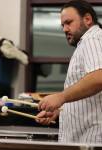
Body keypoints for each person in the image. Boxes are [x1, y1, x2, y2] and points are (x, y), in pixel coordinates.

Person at [36, 0, 102, 143]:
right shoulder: (89, 42)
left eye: (69, 22)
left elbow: (98, 78)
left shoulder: (92, 39)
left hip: (91, 139)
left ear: (87, 19)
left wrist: (61, 97)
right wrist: (60, 111)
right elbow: (89, 99)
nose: (65, 29)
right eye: (63, 25)